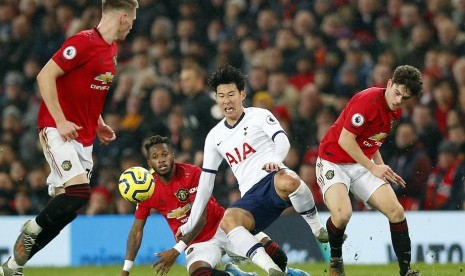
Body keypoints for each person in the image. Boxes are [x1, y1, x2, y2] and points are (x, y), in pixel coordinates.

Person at [0, 1, 139, 275]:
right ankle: (32, 227)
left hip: (83, 136)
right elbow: (45, 75)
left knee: (68, 208)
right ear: (123, 17)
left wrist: (97, 122)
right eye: (132, 20)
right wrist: (60, 120)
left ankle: (13, 266)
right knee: (78, 192)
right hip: (57, 127)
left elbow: (90, 90)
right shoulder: (83, 42)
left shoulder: (111, 50)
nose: (133, 26)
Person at [177, 65, 327, 276]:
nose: (226, 101)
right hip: (252, 197)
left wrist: (276, 159)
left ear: (242, 94)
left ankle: (317, 228)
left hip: (273, 180)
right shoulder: (214, 136)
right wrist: (191, 223)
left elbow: (282, 140)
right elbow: (206, 183)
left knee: (290, 180)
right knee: (229, 220)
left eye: (231, 94)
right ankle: (273, 271)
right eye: (221, 96)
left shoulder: (259, 115)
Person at [122, 135, 309, 276]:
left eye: (164, 154)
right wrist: (126, 270)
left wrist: (176, 250)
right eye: (155, 156)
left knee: (278, 257)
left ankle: (288, 272)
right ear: (149, 163)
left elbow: (200, 218)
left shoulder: (192, 173)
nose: (161, 159)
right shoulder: (147, 188)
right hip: (197, 242)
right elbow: (136, 231)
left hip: (223, 226)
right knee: (199, 274)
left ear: (172, 155)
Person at [316, 65, 423, 276]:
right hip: (333, 161)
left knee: (396, 211)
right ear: (389, 84)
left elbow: (371, 143)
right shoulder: (367, 100)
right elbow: (345, 140)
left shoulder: (395, 111)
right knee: (343, 214)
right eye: (397, 92)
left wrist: (381, 168)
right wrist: (373, 168)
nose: (399, 100)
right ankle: (336, 259)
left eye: (405, 98)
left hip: (361, 162)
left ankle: (406, 272)